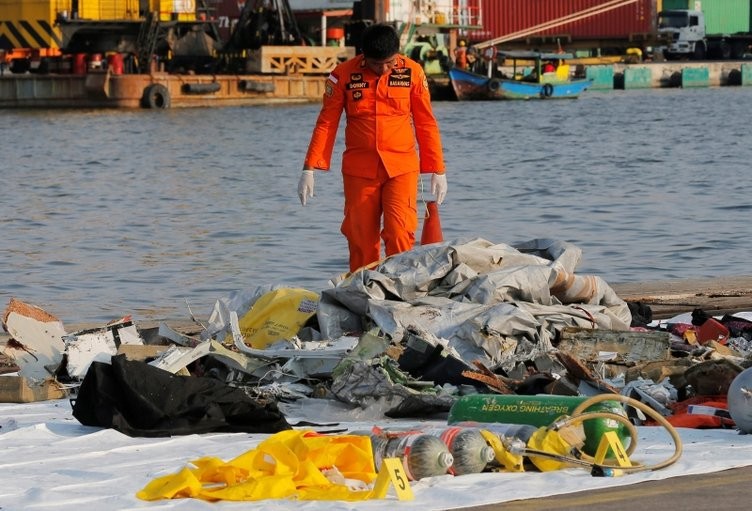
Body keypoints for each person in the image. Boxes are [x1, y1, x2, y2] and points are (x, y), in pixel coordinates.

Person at [298, 23, 447, 273]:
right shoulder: (342, 75)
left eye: (389, 63)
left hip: (401, 168)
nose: (383, 69)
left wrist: (437, 170)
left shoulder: (413, 72)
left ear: (397, 55)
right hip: (359, 171)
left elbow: (426, 122)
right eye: (377, 65)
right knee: (361, 240)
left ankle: (399, 292)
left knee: (400, 233)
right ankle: (361, 293)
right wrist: (309, 168)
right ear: (363, 56)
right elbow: (327, 122)